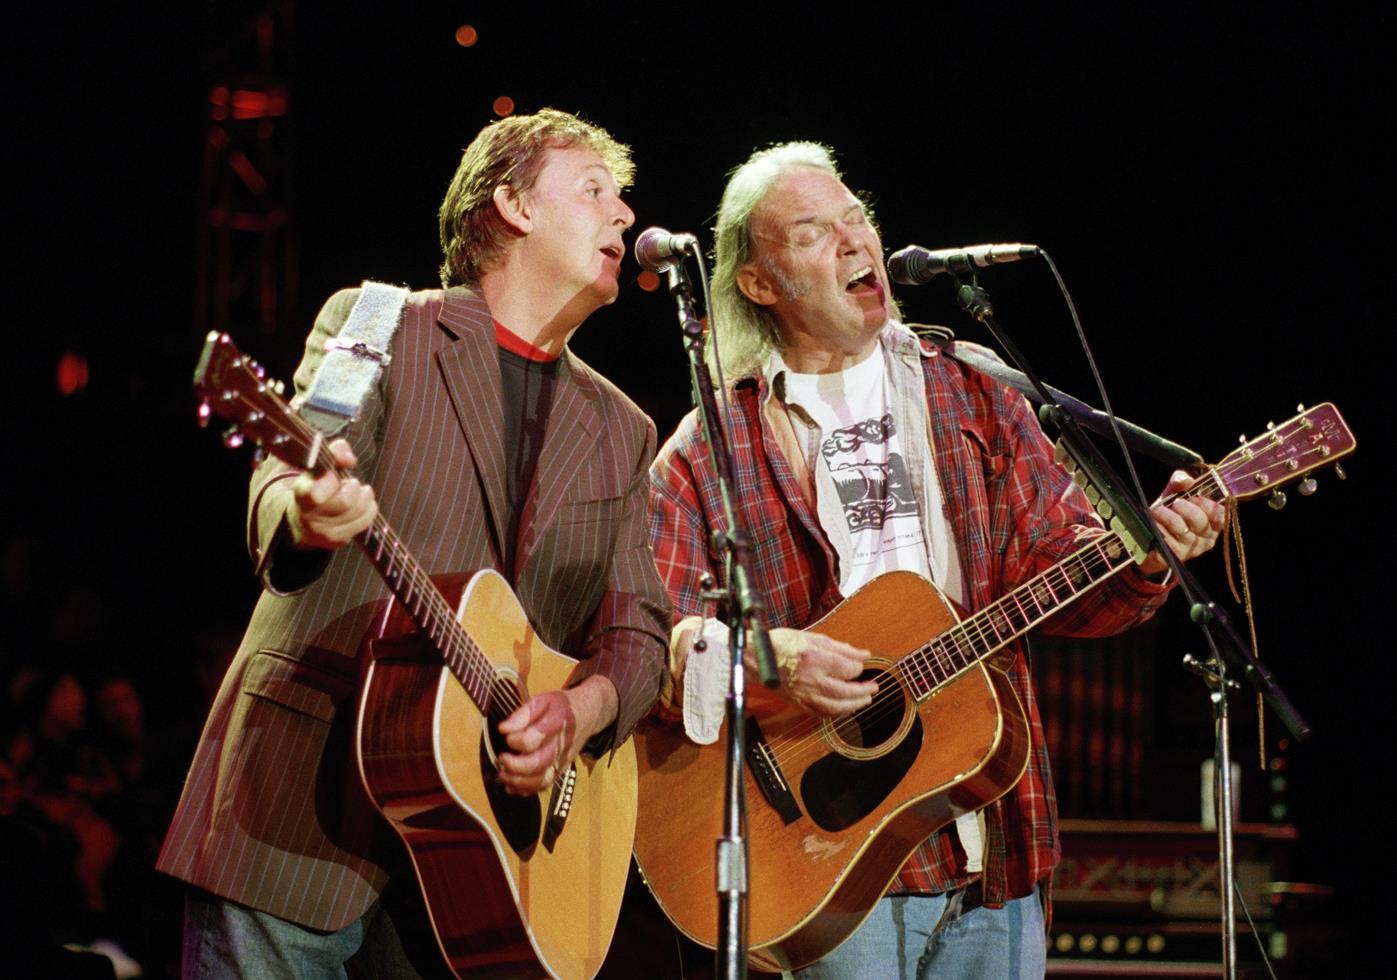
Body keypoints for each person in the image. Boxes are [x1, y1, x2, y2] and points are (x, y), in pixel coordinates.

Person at [646, 142, 1226, 978]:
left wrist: (1146, 558)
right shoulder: (711, 447)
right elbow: (653, 641)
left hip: (995, 847)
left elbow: (1064, 579)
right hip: (820, 861)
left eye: (857, 219)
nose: (853, 242)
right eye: (813, 232)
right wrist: (775, 662)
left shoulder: (976, 390)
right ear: (759, 284)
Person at [159, 108, 670, 977]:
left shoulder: (622, 427)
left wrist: (577, 712)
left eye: (620, 198)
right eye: (593, 191)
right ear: (510, 204)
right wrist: (303, 514)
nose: (624, 214)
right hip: (293, 809)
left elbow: (639, 634)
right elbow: (286, 475)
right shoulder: (379, 322)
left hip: (473, 868)